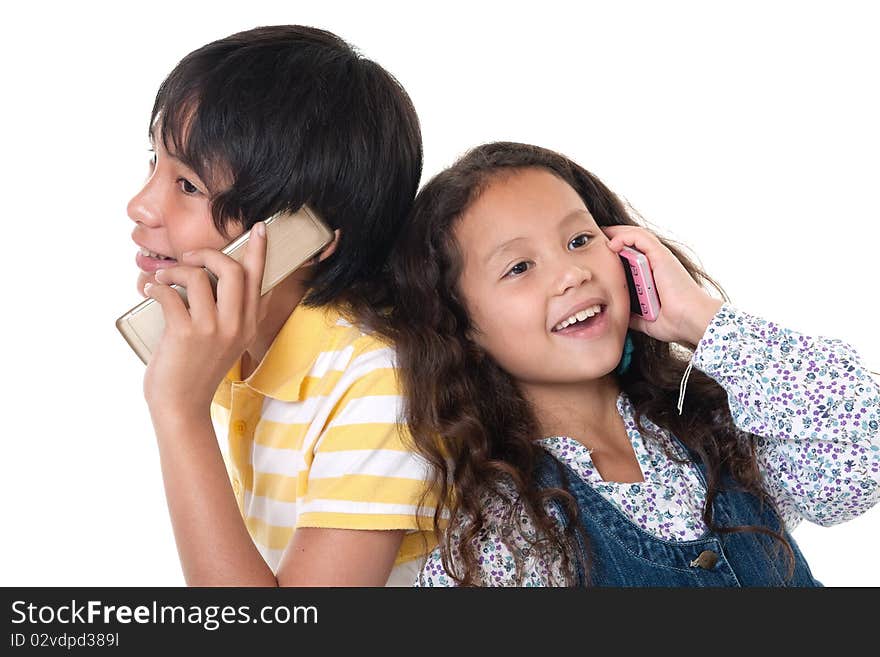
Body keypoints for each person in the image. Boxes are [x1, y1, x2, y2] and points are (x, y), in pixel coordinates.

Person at [384, 141, 880, 586]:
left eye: (580, 240)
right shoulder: (506, 529)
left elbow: (866, 447)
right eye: (519, 267)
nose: (572, 274)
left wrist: (701, 321)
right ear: (462, 326)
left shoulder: (717, 428)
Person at [126, 25, 435, 586]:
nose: (141, 205)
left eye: (189, 185)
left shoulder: (379, 381)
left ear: (307, 233)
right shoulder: (237, 343)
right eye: (154, 163)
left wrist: (180, 414)